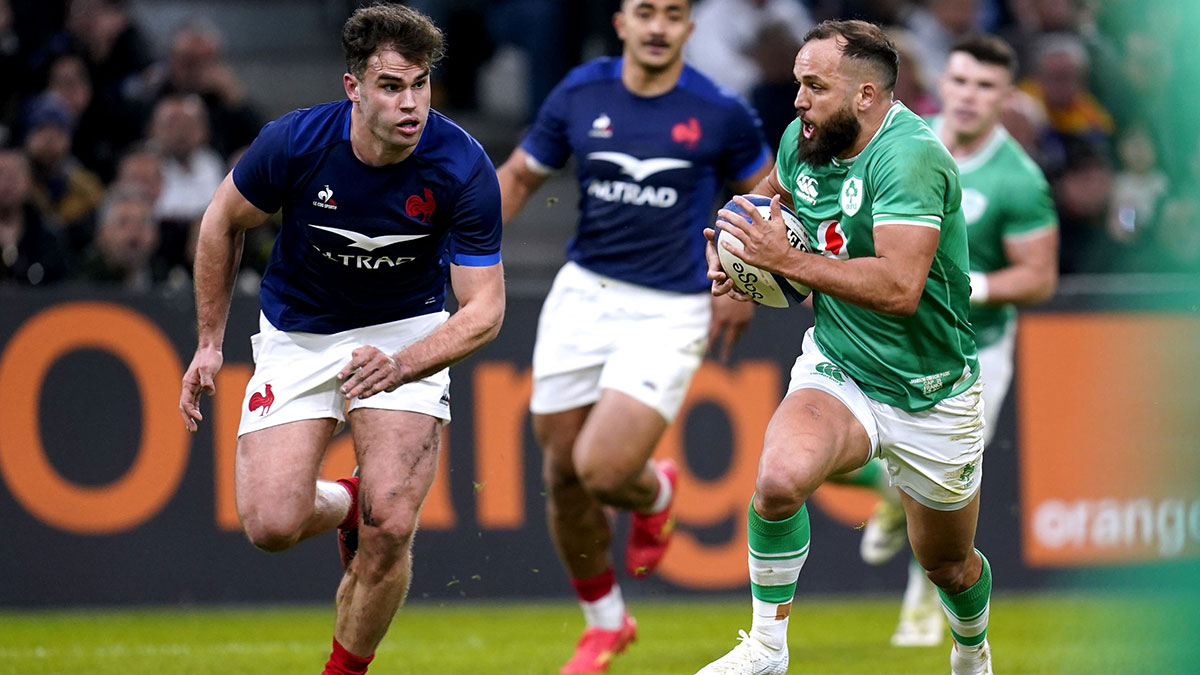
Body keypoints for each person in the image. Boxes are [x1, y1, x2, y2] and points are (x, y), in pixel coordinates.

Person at [176, 6, 505, 675]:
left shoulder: (463, 165)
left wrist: (404, 362)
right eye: (391, 86)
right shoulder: (295, 143)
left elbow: (485, 311)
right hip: (298, 331)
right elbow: (220, 221)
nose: (410, 103)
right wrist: (209, 341)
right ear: (353, 87)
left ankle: (343, 668)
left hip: (404, 330)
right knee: (271, 524)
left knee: (393, 522)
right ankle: (346, 500)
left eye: (420, 84)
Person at [694, 20, 993, 675]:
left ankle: (971, 646)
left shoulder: (909, 156)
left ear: (864, 95)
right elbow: (762, 201)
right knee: (777, 481)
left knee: (947, 561)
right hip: (841, 363)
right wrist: (729, 248)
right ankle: (768, 648)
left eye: (814, 85)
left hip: (931, 388)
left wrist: (787, 262)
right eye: (798, 81)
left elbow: (899, 287)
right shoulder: (805, 140)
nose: (797, 98)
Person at [495, 0, 772, 672]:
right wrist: (467, 256)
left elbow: (768, 191)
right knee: (562, 472)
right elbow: (520, 176)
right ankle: (606, 622)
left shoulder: (719, 109)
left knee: (603, 468)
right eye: (645, 12)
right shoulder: (580, 90)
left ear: (689, 28)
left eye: (673, 14)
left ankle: (658, 492)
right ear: (619, 21)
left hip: (671, 305)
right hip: (583, 294)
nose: (657, 27)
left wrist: (743, 280)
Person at [855, 33, 1059, 649]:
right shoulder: (900, 141)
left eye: (986, 86)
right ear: (942, 84)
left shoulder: (1018, 179)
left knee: (943, 485)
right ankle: (888, 500)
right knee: (840, 458)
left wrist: (974, 287)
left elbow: (1040, 275)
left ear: (1006, 98)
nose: (970, 96)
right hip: (884, 329)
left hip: (974, 353)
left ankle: (922, 603)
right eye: (962, 81)